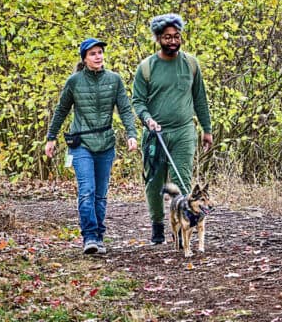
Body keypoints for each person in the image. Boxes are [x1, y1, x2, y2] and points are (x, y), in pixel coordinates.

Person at [46, 38, 139, 255]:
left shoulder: (114, 80)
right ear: (85, 59)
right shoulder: (74, 81)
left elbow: (125, 109)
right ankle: (89, 237)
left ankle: (99, 236)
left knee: (100, 194)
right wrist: (51, 138)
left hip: (106, 143)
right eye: (93, 53)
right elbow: (61, 110)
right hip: (81, 143)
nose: (98, 57)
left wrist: (131, 134)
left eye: (100, 52)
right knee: (86, 190)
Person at [132, 13, 213, 244]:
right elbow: (138, 101)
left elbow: (200, 99)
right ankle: (158, 225)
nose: (173, 41)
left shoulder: (190, 64)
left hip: (184, 131)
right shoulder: (146, 67)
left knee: (182, 179)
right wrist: (147, 119)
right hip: (155, 134)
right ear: (158, 39)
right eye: (167, 37)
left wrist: (206, 129)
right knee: (155, 183)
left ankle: (184, 229)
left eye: (176, 36)